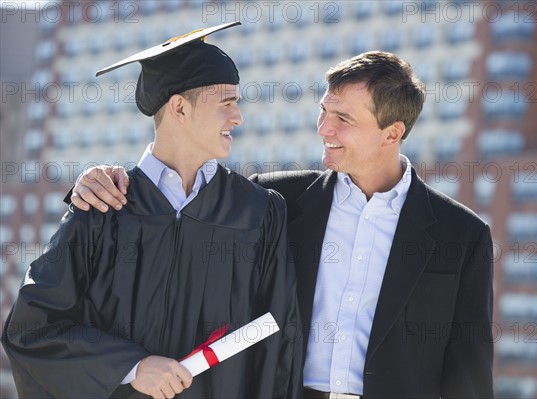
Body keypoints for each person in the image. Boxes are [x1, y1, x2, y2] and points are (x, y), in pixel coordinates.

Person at [67, 51, 494, 398]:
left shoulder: (461, 235)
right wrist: (98, 178)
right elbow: (179, 207)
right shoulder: (275, 203)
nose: (323, 128)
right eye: (324, 111)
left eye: (343, 119)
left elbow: (469, 371)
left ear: (391, 133)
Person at [2, 22, 302, 399]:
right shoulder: (101, 208)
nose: (238, 117)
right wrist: (131, 367)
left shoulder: (258, 214)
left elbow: (280, 348)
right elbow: (32, 330)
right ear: (179, 107)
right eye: (227, 102)